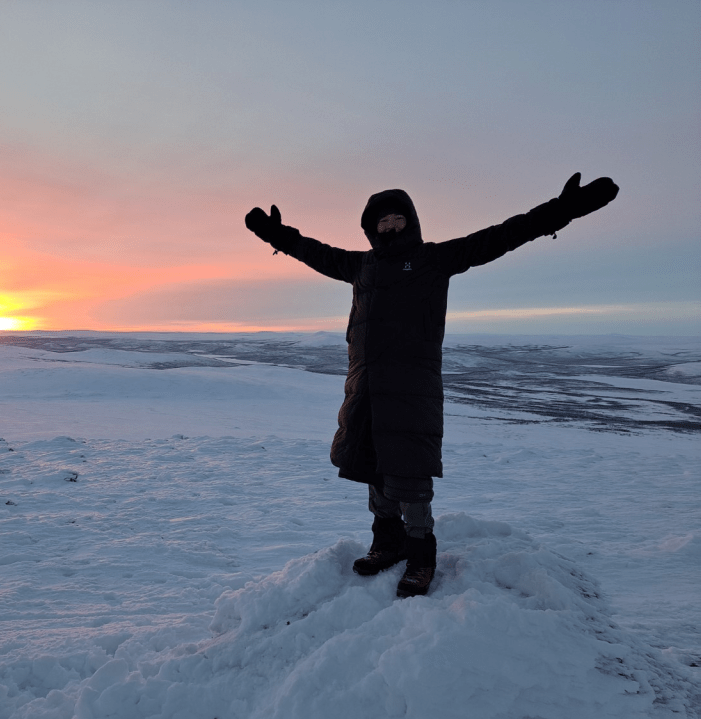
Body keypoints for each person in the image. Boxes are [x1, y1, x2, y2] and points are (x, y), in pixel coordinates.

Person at [245, 173, 618, 598]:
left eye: (396, 219)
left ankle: (422, 558)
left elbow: (501, 236)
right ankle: (387, 544)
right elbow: (312, 251)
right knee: (375, 467)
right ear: (370, 228)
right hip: (366, 386)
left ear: (412, 222)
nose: (389, 227)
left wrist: (560, 211)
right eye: (381, 222)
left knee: (411, 476)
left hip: (412, 387)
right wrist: (276, 234)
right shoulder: (360, 266)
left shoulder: (434, 260)